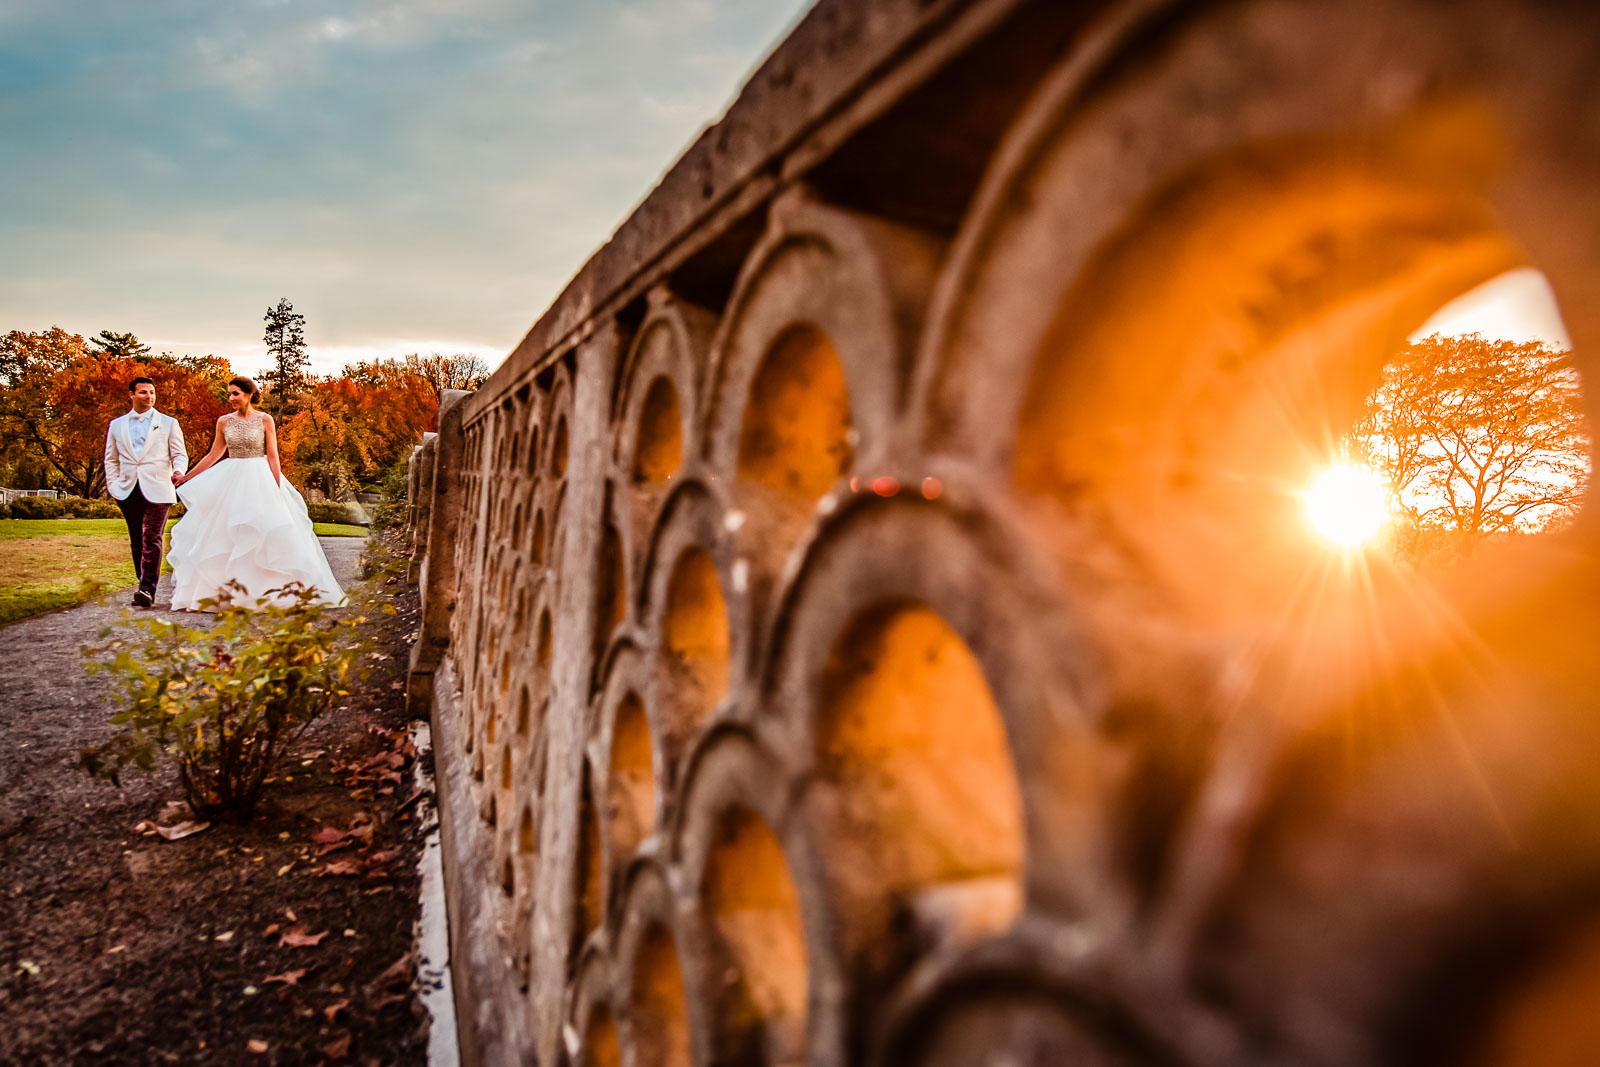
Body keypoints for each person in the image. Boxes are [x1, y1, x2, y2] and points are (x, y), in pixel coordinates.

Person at [168, 376, 344, 611]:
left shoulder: (265, 420)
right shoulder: (223, 422)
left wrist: (277, 487)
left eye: (235, 394)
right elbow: (213, 455)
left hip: (259, 478)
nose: (231, 398)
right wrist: (186, 477)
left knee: (265, 533)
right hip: (230, 479)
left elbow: (273, 455)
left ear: (249, 394)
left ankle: (269, 593)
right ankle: (227, 594)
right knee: (227, 534)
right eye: (229, 394)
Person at [104, 376, 188, 607]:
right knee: (136, 541)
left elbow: (179, 454)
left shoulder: (169, 423)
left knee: (152, 538)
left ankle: (147, 590)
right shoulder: (117, 425)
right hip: (127, 489)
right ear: (131, 394)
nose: (149, 396)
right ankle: (143, 583)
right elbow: (111, 459)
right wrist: (113, 485)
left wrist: (179, 471)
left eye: (151, 392)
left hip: (159, 487)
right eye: (143, 392)